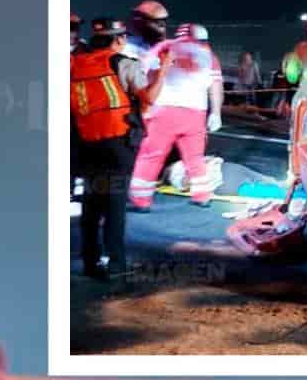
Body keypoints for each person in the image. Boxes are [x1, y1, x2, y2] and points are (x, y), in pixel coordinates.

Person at [70, 17, 143, 279]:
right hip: (117, 144)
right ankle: (116, 263)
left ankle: (90, 262)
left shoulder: (76, 64)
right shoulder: (122, 63)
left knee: (91, 205)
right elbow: (146, 97)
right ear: (119, 39)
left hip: (87, 143)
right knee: (115, 205)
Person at [128, 22, 223, 211]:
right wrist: (216, 113)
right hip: (196, 113)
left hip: (164, 111)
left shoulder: (164, 47)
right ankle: (202, 195)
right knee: (195, 157)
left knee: (151, 156)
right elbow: (216, 86)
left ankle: (141, 200)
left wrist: (143, 106)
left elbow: (144, 73)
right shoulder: (209, 55)